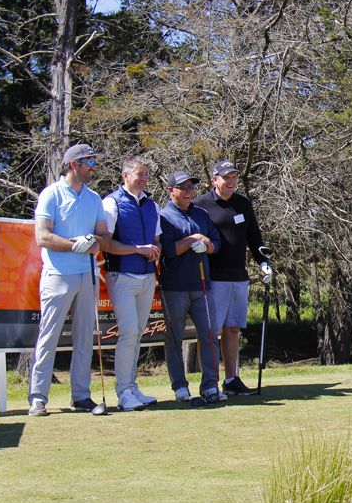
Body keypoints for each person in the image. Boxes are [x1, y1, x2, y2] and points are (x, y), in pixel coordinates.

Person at [29, 143, 111, 416]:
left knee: (85, 337)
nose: (93, 168)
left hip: (87, 273)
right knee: (49, 335)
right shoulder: (51, 194)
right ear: (75, 164)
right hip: (58, 274)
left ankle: (81, 395)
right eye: (90, 162)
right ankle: (38, 397)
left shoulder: (94, 198)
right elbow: (43, 236)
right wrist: (75, 245)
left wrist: (94, 240)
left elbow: (104, 237)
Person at [193, 160, 273, 396]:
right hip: (212, 277)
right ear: (214, 179)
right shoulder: (201, 205)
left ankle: (231, 379)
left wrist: (263, 263)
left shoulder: (243, 204)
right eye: (226, 177)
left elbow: (254, 237)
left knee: (232, 329)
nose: (231, 181)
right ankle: (209, 382)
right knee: (210, 332)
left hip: (238, 276)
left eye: (234, 177)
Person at [101, 157, 162, 412]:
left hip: (147, 277)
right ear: (125, 175)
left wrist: (154, 251)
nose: (145, 178)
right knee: (128, 333)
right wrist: (138, 249)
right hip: (122, 276)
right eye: (140, 174)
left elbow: (157, 240)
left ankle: (132, 386)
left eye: (147, 174)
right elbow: (106, 243)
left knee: (137, 334)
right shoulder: (112, 202)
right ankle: (123, 392)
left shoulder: (152, 205)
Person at [159, 171, 224, 404]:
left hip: (202, 286)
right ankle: (179, 386)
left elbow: (216, 243)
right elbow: (168, 250)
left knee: (209, 335)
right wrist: (192, 240)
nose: (189, 191)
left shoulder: (201, 214)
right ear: (171, 190)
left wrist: (207, 246)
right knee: (174, 338)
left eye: (191, 187)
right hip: (174, 287)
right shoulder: (164, 217)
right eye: (183, 187)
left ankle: (210, 385)